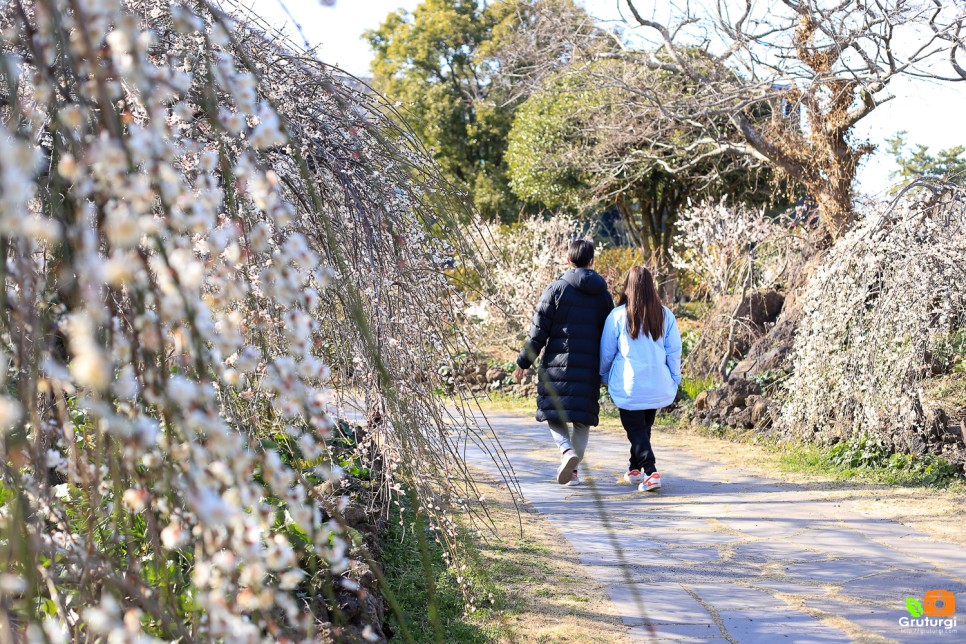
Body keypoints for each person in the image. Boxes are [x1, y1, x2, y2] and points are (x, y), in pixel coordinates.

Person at [513, 239, 614, 486]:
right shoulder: (603, 295)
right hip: (588, 367)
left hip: (556, 366)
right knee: (582, 419)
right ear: (592, 261)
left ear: (568, 261)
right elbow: (611, 333)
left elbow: (538, 332)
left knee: (554, 414)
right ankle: (574, 471)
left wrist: (523, 362)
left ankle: (566, 451)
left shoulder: (556, 289)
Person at [599, 266, 682, 492]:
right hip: (657, 383)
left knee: (635, 429)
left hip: (630, 385)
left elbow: (607, 353)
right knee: (643, 427)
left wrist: (604, 377)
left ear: (628, 286)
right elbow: (674, 351)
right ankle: (634, 469)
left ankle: (651, 470)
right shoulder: (665, 315)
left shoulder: (617, 316)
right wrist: (675, 378)